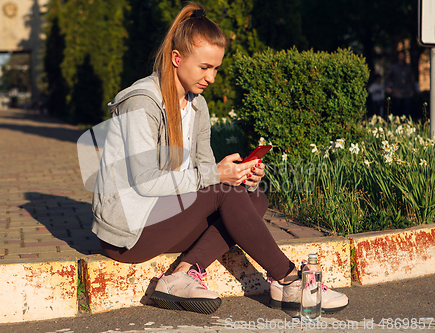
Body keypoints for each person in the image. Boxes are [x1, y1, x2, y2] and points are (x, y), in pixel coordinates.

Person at [91, 3, 348, 315]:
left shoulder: (197, 106)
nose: (211, 78)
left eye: (216, 69)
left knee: (255, 199)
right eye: (204, 68)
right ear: (177, 58)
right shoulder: (141, 103)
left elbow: (204, 172)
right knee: (224, 191)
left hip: (163, 218)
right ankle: (289, 278)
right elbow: (147, 182)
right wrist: (218, 176)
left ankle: (181, 275)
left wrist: (240, 176)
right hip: (128, 234)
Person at [385, 50, 417, 117]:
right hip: (397, 91)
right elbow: (388, 77)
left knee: (407, 109)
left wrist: (413, 89)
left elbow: (412, 79)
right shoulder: (394, 67)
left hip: (407, 91)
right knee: (397, 109)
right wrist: (387, 86)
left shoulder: (408, 67)